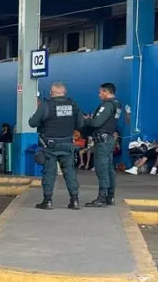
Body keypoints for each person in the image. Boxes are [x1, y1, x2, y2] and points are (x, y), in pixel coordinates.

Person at [27, 81, 84, 210]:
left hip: (50, 145)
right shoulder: (73, 105)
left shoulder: (46, 105)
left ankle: (47, 201)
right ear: (65, 92)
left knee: (49, 173)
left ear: (52, 93)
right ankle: (74, 201)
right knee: (70, 172)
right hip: (68, 144)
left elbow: (32, 123)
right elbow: (81, 124)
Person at [84, 82, 121, 207]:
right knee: (109, 169)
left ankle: (102, 198)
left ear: (106, 92)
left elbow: (96, 123)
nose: (99, 94)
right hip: (109, 139)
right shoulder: (117, 104)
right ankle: (110, 197)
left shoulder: (107, 105)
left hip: (103, 142)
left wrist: (87, 119)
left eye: (100, 92)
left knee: (102, 169)